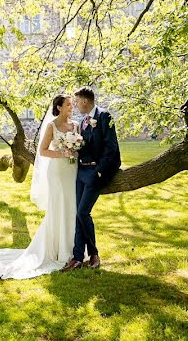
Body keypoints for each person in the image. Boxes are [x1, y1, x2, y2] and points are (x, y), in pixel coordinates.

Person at [0, 94, 79, 279]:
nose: (72, 107)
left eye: (72, 104)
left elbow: (79, 146)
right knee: (59, 206)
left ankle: (74, 249)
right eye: (68, 104)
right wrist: (62, 153)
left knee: (72, 207)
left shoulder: (76, 125)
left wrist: (75, 149)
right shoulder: (51, 126)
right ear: (59, 107)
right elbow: (43, 151)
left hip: (72, 170)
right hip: (57, 171)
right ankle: (58, 251)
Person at [60, 86, 121, 271]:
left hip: (95, 173)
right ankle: (78, 258)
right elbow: (86, 147)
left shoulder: (104, 116)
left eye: (77, 102)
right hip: (81, 172)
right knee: (78, 215)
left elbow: (111, 148)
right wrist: (73, 146)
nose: (76, 105)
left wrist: (99, 171)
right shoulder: (83, 121)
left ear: (85, 101)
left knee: (82, 213)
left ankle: (94, 254)